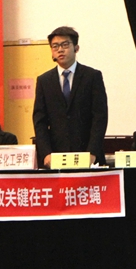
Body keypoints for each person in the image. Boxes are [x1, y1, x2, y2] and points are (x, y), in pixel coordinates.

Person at [33, 26, 108, 168]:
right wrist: (46, 153)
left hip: (87, 154)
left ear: (76, 48)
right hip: (55, 156)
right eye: (55, 46)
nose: (60, 50)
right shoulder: (44, 81)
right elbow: (40, 121)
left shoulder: (92, 76)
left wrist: (93, 152)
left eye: (65, 45)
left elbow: (100, 117)